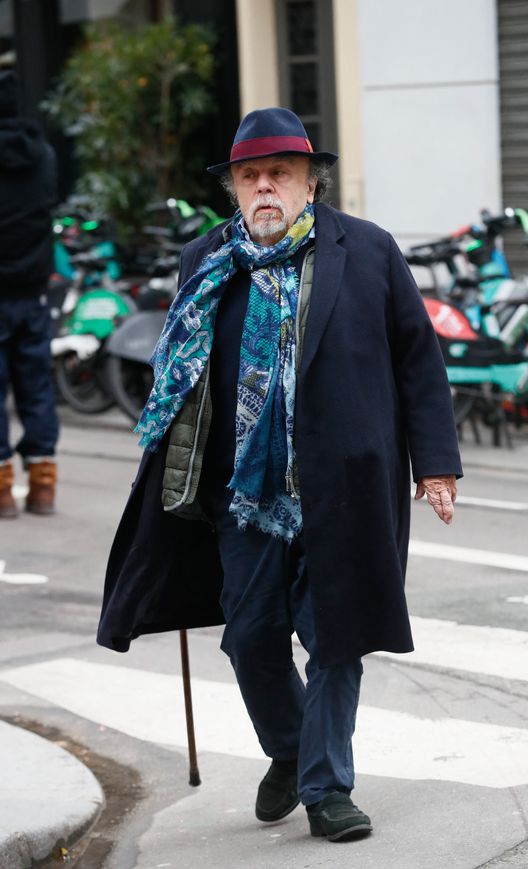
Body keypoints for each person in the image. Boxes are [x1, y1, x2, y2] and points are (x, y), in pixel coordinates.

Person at [98, 107, 462, 842]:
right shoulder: (204, 259)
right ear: (234, 185)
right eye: (249, 175)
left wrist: (436, 465)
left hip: (347, 481)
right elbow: (182, 367)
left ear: (310, 181)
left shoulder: (366, 249)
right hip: (245, 492)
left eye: (279, 174)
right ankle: (292, 748)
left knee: (336, 637)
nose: (264, 186)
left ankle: (329, 788)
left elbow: (417, 360)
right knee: (251, 636)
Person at [0, 71, 59, 518]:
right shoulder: (43, 155)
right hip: (36, 290)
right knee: (37, 387)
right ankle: (42, 486)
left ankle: (2, 490)